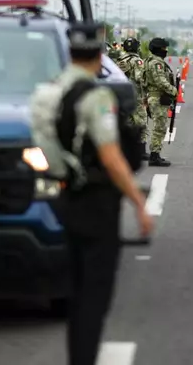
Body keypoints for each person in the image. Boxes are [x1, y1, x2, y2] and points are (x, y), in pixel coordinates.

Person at [29, 23, 154, 365]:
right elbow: (111, 157)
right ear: (100, 55)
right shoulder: (97, 97)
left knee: (75, 290)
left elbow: (43, 146)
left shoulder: (45, 93)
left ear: (69, 52)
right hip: (96, 204)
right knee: (93, 298)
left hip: (62, 197)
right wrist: (138, 201)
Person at [143, 37, 176, 167]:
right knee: (159, 128)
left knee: (159, 127)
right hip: (157, 98)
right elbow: (160, 81)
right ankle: (154, 156)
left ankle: (155, 154)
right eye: (163, 48)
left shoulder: (149, 61)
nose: (165, 50)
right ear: (158, 49)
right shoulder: (156, 63)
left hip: (153, 97)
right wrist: (173, 91)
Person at [116, 37, 150, 161]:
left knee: (127, 123)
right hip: (136, 96)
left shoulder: (120, 60)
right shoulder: (137, 61)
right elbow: (140, 78)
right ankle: (141, 151)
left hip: (123, 96)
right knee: (141, 123)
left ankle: (125, 151)